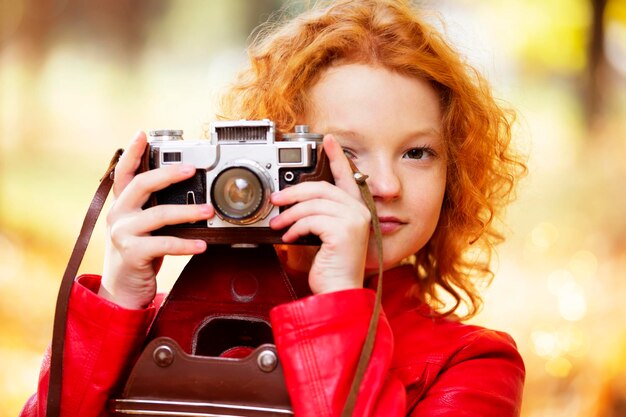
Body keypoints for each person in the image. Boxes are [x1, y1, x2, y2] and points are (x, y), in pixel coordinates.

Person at [21, 0, 527, 415]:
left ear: (453, 171)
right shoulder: (153, 326)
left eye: (417, 152)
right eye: (345, 153)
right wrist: (118, 300)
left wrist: (336, 308)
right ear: (267, 161)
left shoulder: (475, 364)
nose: (388, 185)